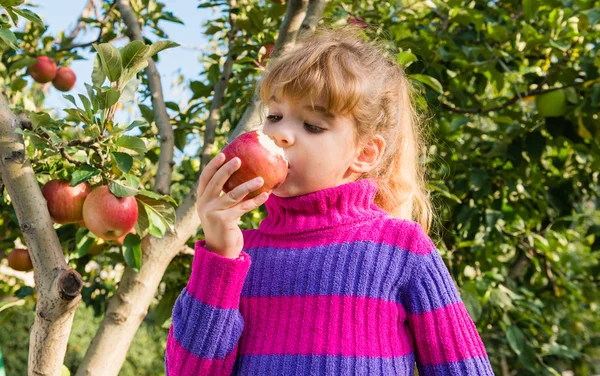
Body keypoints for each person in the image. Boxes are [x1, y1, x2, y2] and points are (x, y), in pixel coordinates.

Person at [165, 26, 494, 376]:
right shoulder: (242, 256)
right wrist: (219, 255)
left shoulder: (403, 248)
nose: (279, 133)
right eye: (274, 116)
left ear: (365, 153)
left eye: (313, 125)